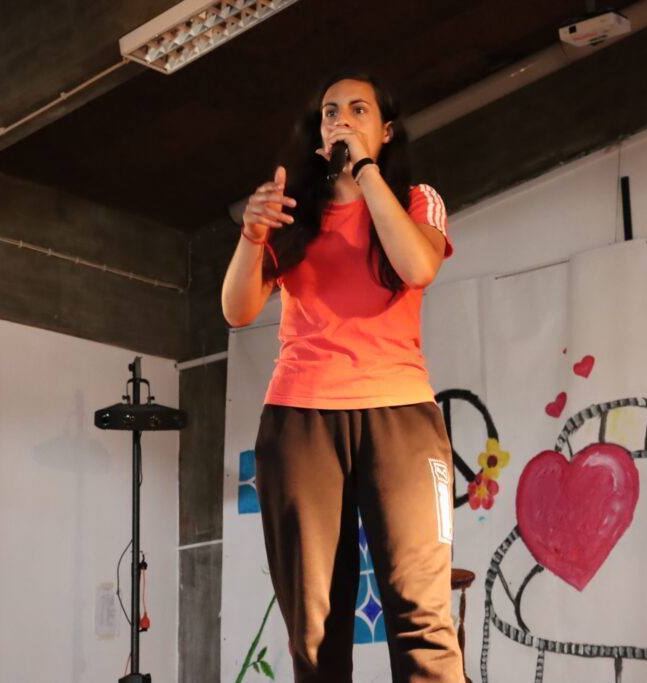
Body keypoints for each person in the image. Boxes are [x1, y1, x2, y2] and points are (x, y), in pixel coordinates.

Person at [221, 71, 463, 683]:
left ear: (387, 130)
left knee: (422, 616)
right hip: (300, 419)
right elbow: (237, 310)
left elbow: (417, 266)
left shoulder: (417, 198)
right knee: (315, 629)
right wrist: (252, 233)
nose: (342, 120)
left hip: (400, 418)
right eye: (330, 112)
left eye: (358, 110)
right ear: (318, 131)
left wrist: (366, 173)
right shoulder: (294, 213)